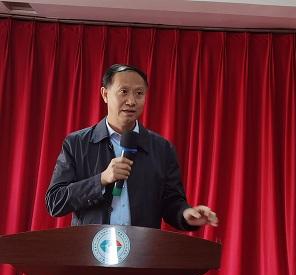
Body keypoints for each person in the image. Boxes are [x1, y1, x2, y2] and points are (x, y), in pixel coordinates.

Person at [45, 64, 218, 230]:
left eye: (139, 93)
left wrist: (185, 214)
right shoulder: (77, 143)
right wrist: (101, 180)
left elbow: (172, 202)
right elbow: (55, 202)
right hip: (92, 246)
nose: (131, 101)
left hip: (141, 248)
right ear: (105, 94)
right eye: (124, 92)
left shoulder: (162, 149)